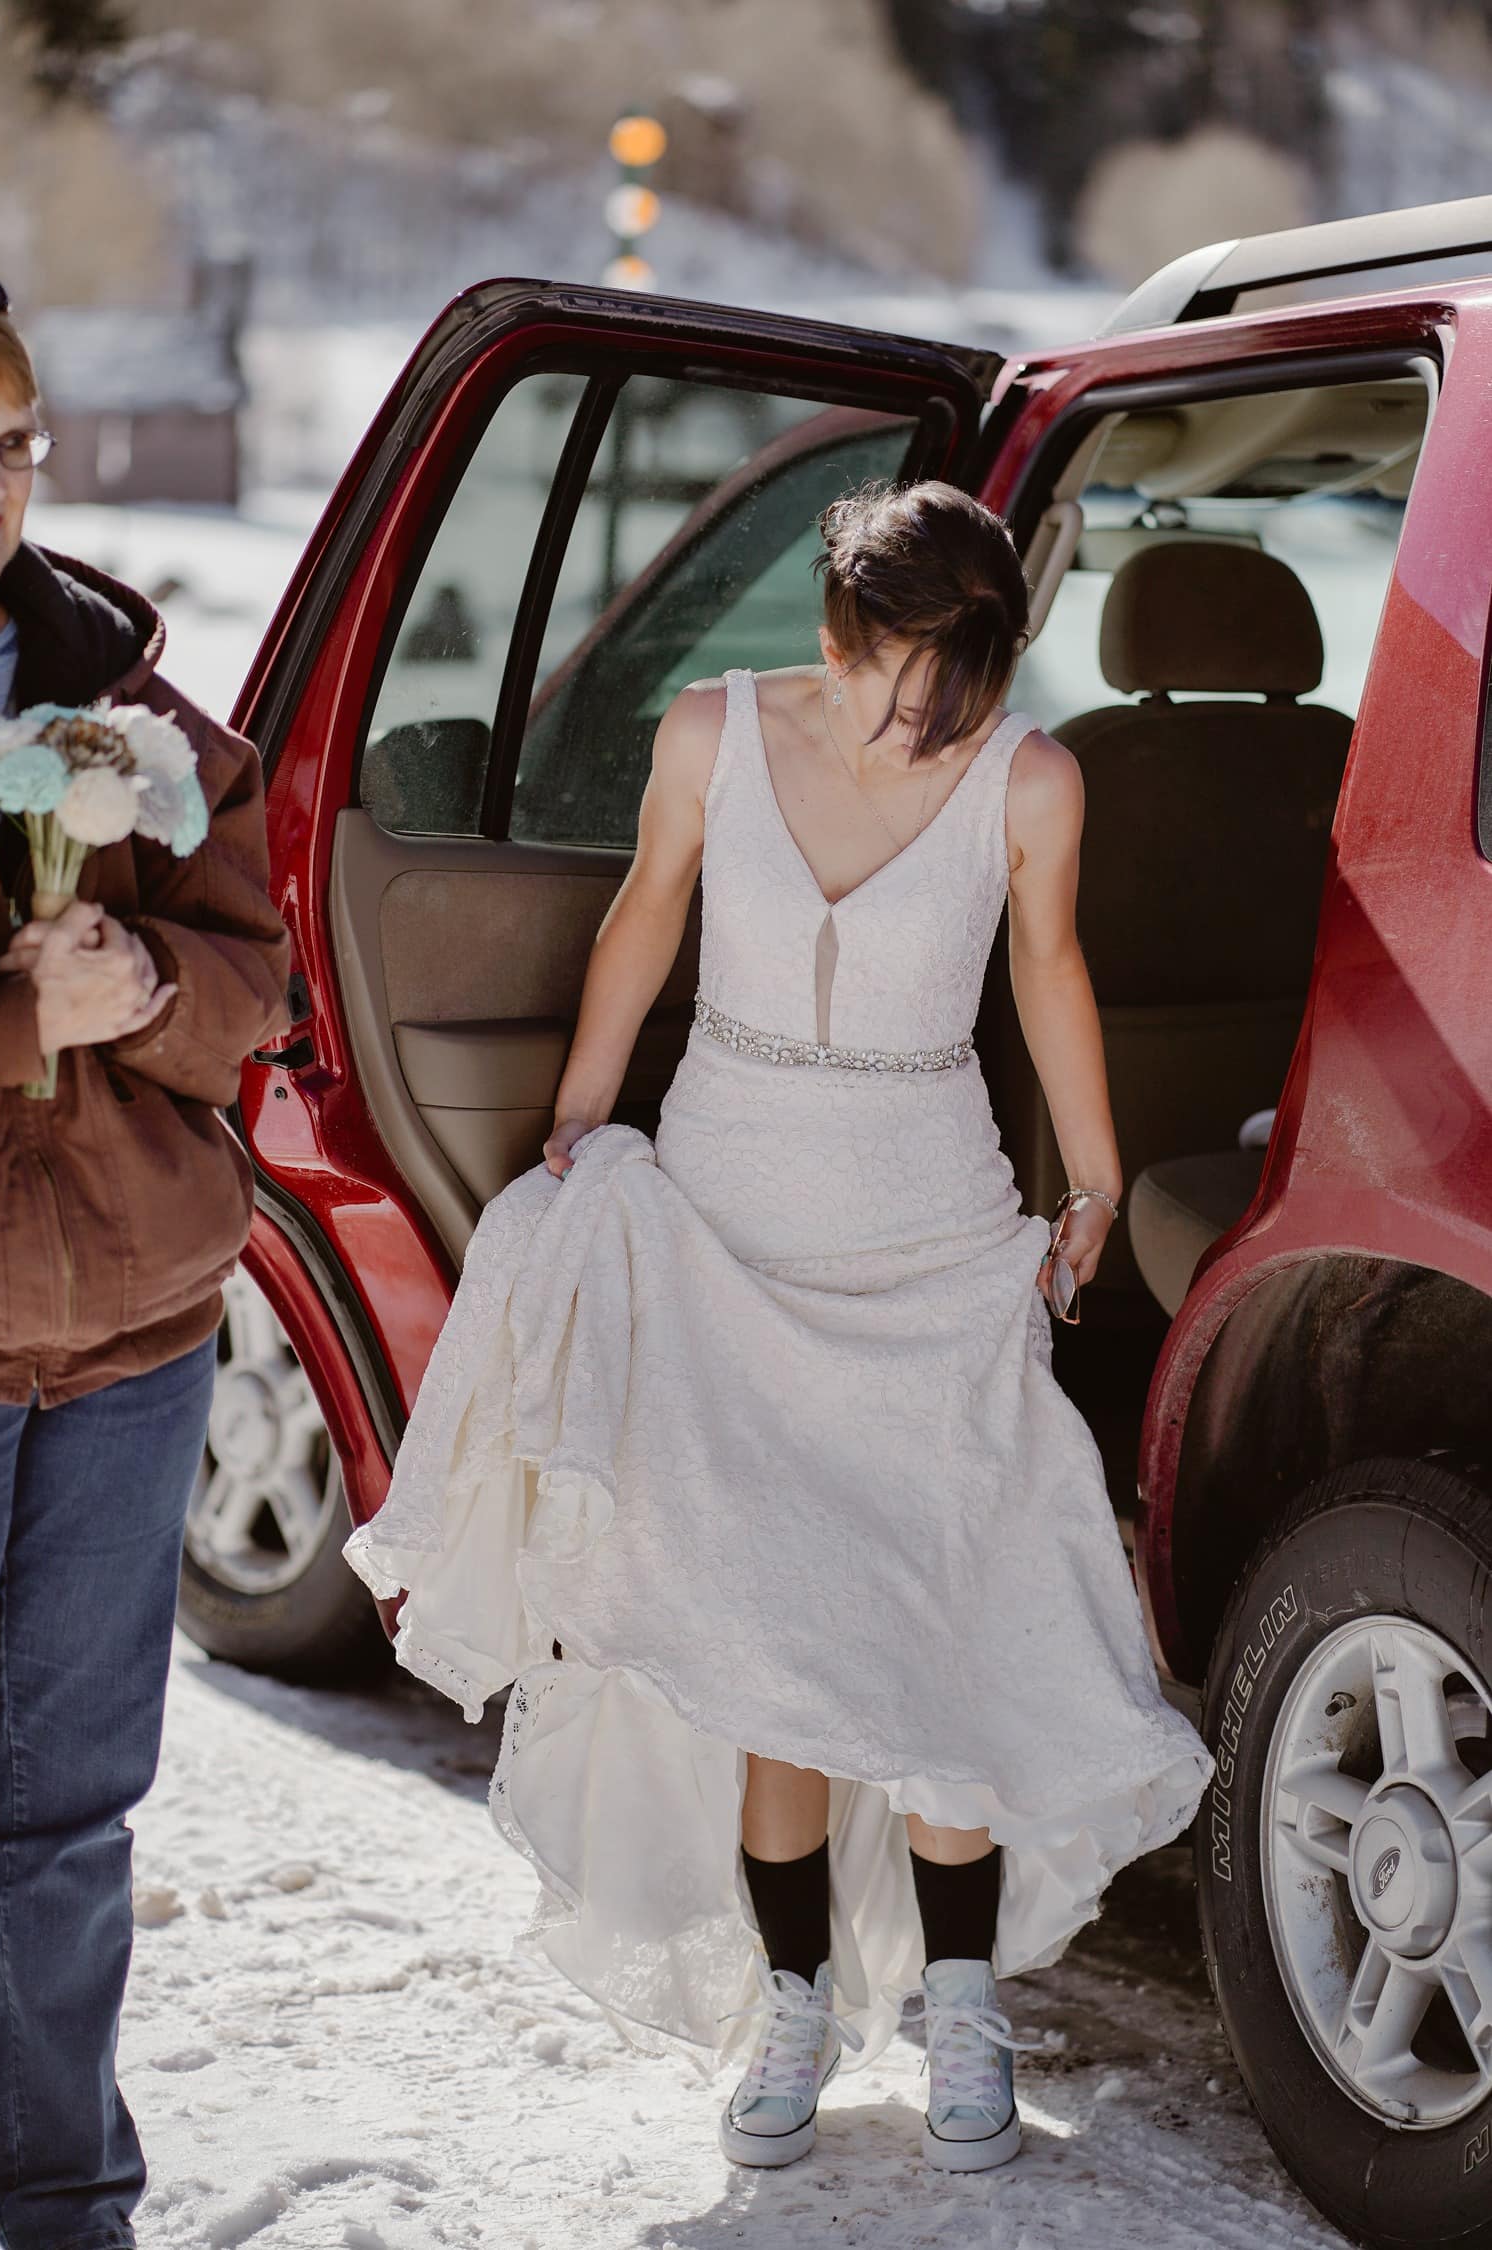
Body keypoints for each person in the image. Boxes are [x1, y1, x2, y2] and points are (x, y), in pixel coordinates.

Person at [345, 478, 1215, 2175]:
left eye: (958, 681)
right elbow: (646, 915)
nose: (923, 719)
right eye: (900, 675)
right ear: (834, 634)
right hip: (733, 1221)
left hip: (934, 1239)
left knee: (940, 1630)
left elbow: (1049, 967)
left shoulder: (1031, 776)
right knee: (775, 1652)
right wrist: (583, 1114)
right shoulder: (707, 731)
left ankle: (965, 2003)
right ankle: (795, 2004)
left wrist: (1096, 1180)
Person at [0, 282, 292, 2250]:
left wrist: (154, 980)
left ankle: (64, 2204)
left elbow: (260, 977)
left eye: (10, 446)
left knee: (66, 1819)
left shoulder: (122, 699)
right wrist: (21, 1014)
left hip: (129, 1340)